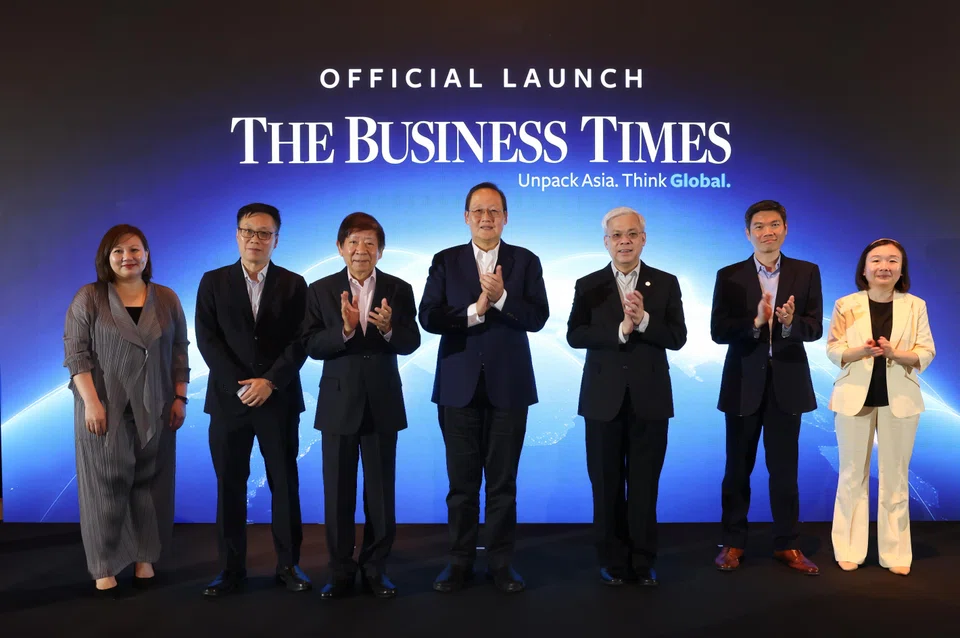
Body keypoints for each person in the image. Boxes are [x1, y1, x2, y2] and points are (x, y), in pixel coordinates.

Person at [419, 182, 549, 593]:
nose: (486, 218)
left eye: (494, 211)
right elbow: (429, 317)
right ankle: (458, 562)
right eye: (478, 211)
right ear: (465, 217)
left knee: (503, 484)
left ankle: (500, 563)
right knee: (461, 486)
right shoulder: (445, 261)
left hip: (509, 388)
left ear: (506, 217)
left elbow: (538, 318)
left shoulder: (525, 261)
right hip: (458, 387)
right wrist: (476, 310)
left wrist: (504, 298)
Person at [64, 224, 189, 594]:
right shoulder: (89, 297)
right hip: (103, 406)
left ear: (147, 255)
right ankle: (104, 565)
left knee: (151, 486)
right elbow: (76, 354)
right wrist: (91, 403)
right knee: (104, 488)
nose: (127, 258)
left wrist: (180, 397)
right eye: (118, 251)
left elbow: (179, 350)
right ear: (106, 257)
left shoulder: (166, 298)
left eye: (135, 250)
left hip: (158, 405)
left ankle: (144, 559)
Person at [301, 212, 421, 599]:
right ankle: (339, 571)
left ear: (381, 251)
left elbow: (411, 342)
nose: (361, 250)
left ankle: (375, 567)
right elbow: (312, 346)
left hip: (383, 401)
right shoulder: (319, 290)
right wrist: (346, 329)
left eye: (369, 243)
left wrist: (387, 328)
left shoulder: (399, 289)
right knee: (337, 492)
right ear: (340, 248)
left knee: (381, 493)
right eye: (353, 242)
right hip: (338, 403)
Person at [566, 207, 687, 587]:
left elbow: (678, 338)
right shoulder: (588, 285)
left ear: (643, 239)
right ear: (606, 242)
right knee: (605, 484)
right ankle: (612, 559)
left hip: (650, 399)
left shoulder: (665, 283)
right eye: (616, 235)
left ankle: (643, 559)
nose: (624, 241)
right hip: (603, 400)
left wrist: (646, 321)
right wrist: (619, 330)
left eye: (631, 234)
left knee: (645, 484)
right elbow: (575, 335)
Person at [195, 203, 310, 596]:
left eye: (264, 233)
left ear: (277, 239)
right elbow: (207, 339)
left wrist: (270, 382)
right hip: (229, 401)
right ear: (236, 234)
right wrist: (241, 384)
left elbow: (300, 342)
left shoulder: (295, 284)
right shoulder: (212, 282)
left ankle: (289, 565)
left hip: (277, 401)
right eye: (248, 231)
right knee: (230, 486)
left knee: (284, 484)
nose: (255, 240)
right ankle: (230, 571)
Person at [710, 200, 823, 575]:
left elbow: (815, 327)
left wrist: (789, 324)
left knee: (785, 472)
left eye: (774, 225)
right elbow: (718, 331)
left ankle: (788, 545)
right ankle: (733, 543)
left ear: (786, 229)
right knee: (736, 470)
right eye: (759, 226)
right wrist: (755, 322)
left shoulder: (807, 272)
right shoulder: (729, 275)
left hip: (787, 384)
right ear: (748, 233)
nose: (767, 232)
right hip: (743, 383)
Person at [826, 238, 935, 576]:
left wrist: (894, 354)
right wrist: (861, 350)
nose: (883, 267)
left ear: (901, 269)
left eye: (892, 261)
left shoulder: (915, 305)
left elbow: (926, 352)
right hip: (853, 397)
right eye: (876, 260)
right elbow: (833, 350)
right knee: (851, 476)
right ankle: (848, 549)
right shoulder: (846, 304)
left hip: (900, 400)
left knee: (896, 477)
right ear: (864, 268)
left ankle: (896, 553)